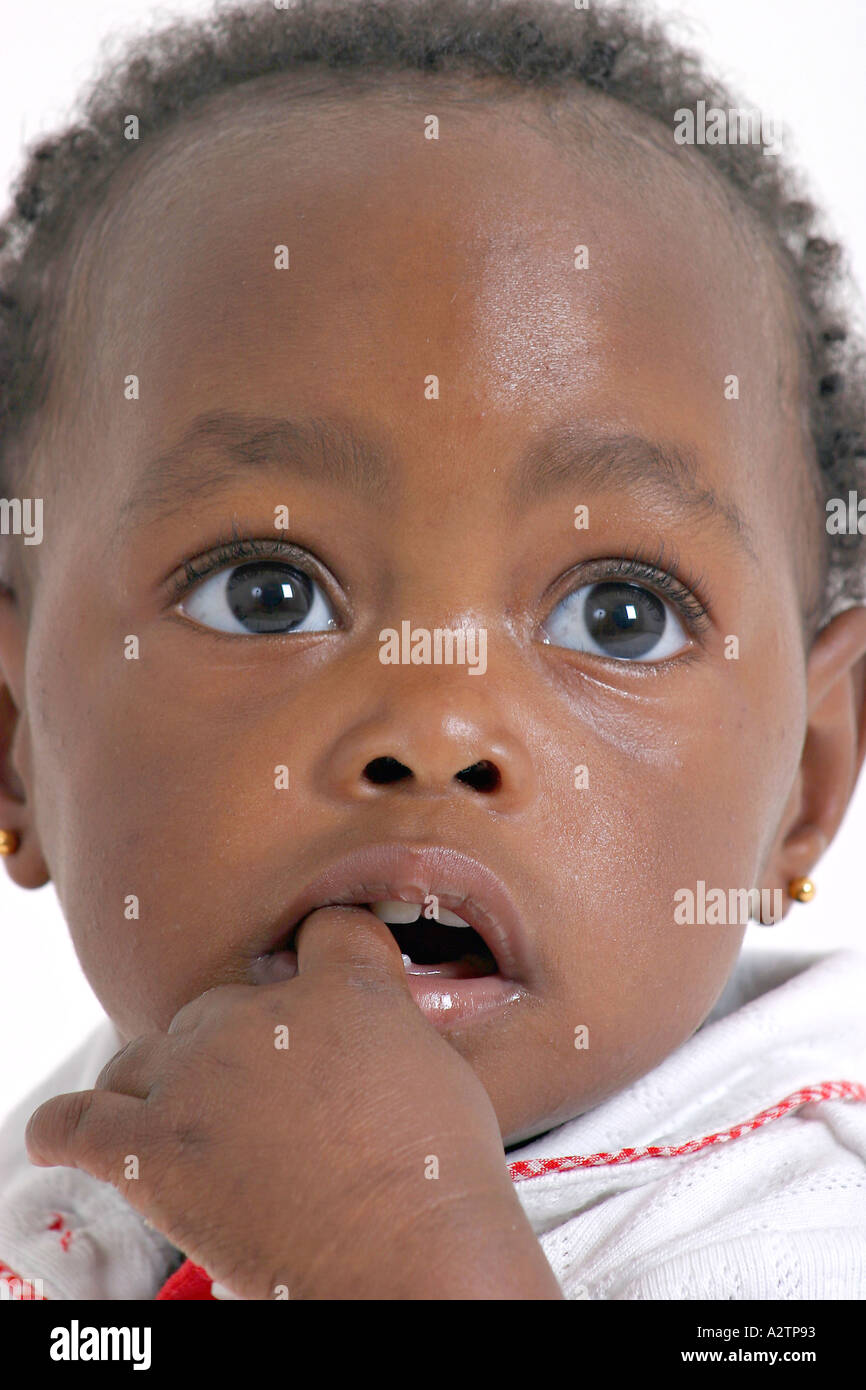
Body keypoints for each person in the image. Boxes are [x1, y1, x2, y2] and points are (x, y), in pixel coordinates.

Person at [0, 0, 864, 1300]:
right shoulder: (64, 1178)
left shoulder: (800, 1233)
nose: (435, 725)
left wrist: (392, 1257)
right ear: (14, 740)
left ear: (804, 778)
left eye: (615, 614)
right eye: (266, 590)